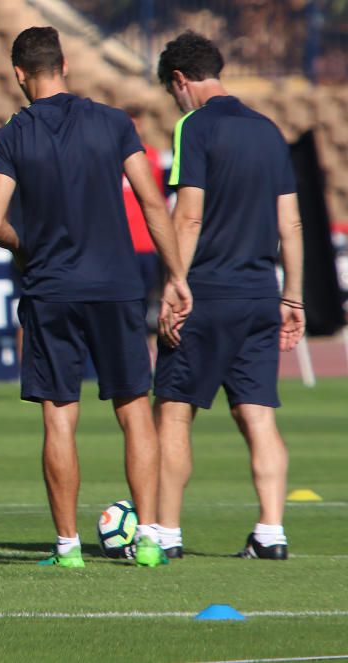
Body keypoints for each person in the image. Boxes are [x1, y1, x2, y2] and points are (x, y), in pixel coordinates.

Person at [0, 27, 191, 568]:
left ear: (19, 74)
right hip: (117, 287)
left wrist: (25, 249)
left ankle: (68, 546)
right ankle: (147, 540)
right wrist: (176, 276)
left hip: (50, 289)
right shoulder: (114, 123)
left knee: (59, 417)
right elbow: (150, 202)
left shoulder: (11, 136)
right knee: (133, 412)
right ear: (65, 64)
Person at [154, 31, 304, 560]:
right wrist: (294, 297)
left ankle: (166, 533)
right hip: (261, 293)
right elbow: (291, 223)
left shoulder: (193, 127)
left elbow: (188, 215)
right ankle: (271, 532)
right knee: (258, 414)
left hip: (208, 294)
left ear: (180, 81)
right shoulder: (268, 131)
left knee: (173, 411)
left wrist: (174, 284)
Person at [123, 104, 167, 363]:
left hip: (147, 244)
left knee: (151, 304)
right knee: (128, 306)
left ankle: (150, 357)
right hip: (121, 246)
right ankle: (132, 357)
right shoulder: (110, 158)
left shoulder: (152, 158)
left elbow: (159, 201)